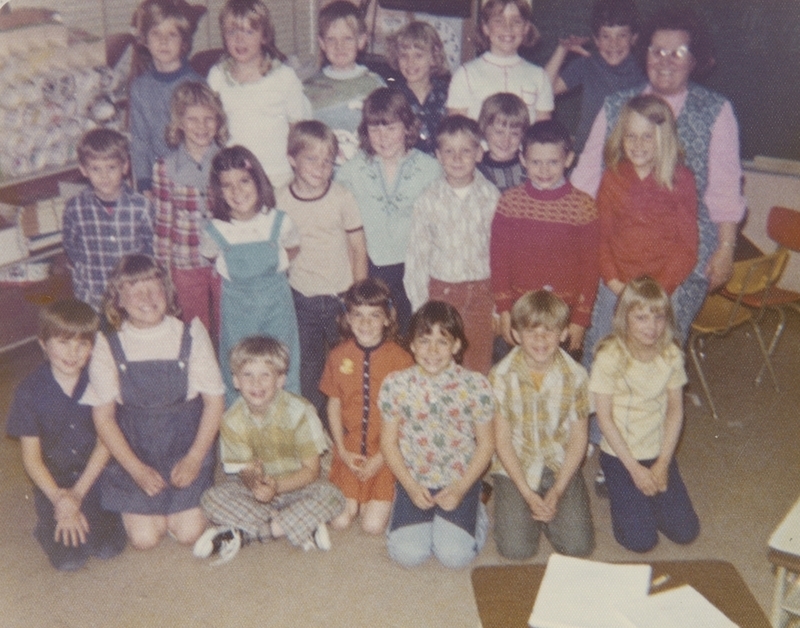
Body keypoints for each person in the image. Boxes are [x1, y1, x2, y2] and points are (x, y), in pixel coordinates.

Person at [571, 6, 747, 341]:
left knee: (653, 337)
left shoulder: (715, 110)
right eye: (657, 51)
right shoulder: (616, 105)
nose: (665, 60)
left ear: (695, 60)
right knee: (600, 329)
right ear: (645, 54)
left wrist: (725, 248)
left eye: (678, 52)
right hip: (618, 237)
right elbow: (585, 180)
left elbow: (725, 189)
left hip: (685, 246)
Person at [85, 255, 225, 550]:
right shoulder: (107, 344)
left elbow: (214, 403)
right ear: (118, 299)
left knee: (189, 533)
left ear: (168, 292)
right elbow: (104, 418)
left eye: (154, 287)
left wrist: (195, 458)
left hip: (183, 448)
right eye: (134, 290)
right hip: (135, 452)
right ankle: (144, 509)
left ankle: (178, 508)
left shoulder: (191, 334)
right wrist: (136, 469)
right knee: (145, 539)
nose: (147, 298)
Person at [195, 336, 345, 562]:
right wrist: (254, 481)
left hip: (301, 486)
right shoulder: (231, 419)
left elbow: (311, 471)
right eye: (247, 375)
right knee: (210, 500)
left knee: (334, 498)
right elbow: (243, 471)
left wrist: (277, 487)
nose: (256, 384)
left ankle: (249, 533)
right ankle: (297, 525)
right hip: (261, 493)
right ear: (235, 380)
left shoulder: (301, 411)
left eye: (265, 375)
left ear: (281, 379)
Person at [6, 300, 127, 571]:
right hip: (54, 483)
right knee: (69, 561)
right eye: (63, 342)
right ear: (43, 344)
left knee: (109, 547)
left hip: (94, 477)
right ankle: (45, 525)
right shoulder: (28, 392)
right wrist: (61, 499)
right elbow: (32, 459)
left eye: (82, 344)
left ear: (92, 347)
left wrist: (79, 494)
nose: (73, 353)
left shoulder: (99, 381)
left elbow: (104, 443)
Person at [583, 94, 697, 373]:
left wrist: (660, 290)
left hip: (660, 289)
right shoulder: (613, 177)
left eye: (647, 136)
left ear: (664, 137)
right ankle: (597, 417)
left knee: (653, 363)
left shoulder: (681, 180)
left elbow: (687, 246)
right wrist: (612, 280)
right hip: (617, 285)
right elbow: (602, 236)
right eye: (631, 136)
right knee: (602, 356)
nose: (638, 144)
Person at [379, 301, 495, 568]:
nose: (432, 350)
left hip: (459, 478)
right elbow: (388, 442)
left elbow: (486, 445)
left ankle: (476, 507)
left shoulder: (476, 385)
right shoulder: (396, 384)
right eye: (424, 340)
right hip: (414, 478)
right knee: (408, 555)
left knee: (454, 556)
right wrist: (408, 485)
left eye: (442, 342)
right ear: (412, 344)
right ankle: (415, 515)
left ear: (456, 346)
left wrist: (460, 488)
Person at [589, 276, 699, 552]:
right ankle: (626, 495)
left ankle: (645, 498)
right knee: (641, 541)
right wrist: (635, 470)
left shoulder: (671, 354)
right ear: (625, 318)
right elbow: (604, 418)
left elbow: (675, 410)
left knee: (686, 531)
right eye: (641, 318)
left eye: (659, 317)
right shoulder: (609, 356)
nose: (652, 327)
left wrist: (662, 463)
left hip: (657, 450)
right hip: (621, 455)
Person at [276, 120, 368, 425]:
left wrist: (359, 299)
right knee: (308, 367)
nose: (320, 167)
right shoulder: (280, 200)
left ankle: (352, 421)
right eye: (311, 159)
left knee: (347, 362)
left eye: (327, 161)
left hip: (341, 298)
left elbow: (358, 249)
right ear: (292, 159)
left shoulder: (342, 197)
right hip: (301, 299)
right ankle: (314, 427)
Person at [490, 290, 594, 559]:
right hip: (516, 465)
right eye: (531, 331)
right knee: (516, 551)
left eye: (549, 331)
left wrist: (558, 490)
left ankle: (548, 509)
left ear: (563, 334)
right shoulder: (500, 375)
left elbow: (578, 438)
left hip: (558, 464)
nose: (539, 339)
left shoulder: (577, 376)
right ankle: (523, 507)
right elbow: (501, 441)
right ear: (516, 334)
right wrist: (526, 493)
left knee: (578, 547)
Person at [336, 87, 441, 335]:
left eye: (391, 128)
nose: (383, 138)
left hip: (414, 267)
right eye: (375, 129)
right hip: (372, 267)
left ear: (407, 127)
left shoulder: (431, 169)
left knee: (411, 333)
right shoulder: (353, 170)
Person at [490, 120, 599, 355]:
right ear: (523, 160)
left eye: (553, 162)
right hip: (520, 309)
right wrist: (504, 309)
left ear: (568, 160)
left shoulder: (583, 206)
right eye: (536, 162)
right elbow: (499, 260)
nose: (544, 170)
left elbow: (590, 267)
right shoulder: (509, 203)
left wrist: (580, 318)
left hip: (564, 312)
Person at [202, 146, 301, 403]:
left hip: (276, 305)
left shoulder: (278, 221)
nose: (237, 191)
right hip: (237, 309)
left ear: (258, 180)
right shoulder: (216, 230)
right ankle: (240, 429)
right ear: (218, 192)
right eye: (227, 185)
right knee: (238, 362)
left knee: (283, 360)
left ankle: (288, 425)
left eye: (244, 181)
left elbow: (293, 247)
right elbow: (211, 256)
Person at [404, 115, 499, 374]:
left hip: (482, 293)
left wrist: (500, 306)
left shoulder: (491, 196)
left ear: (479, 153)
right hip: (442, 292)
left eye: (466, 151)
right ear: (438, 155)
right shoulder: (428, 199)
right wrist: (421, 306)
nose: (457, 158)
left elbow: (499, 252)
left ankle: (476, 412)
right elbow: (417, 256)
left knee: (477, 363)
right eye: (449, 151)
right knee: (439, 362)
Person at [319, 278, 414, 534]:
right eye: (358, 315)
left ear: (387, 318)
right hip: (350, 451)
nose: (365, 323)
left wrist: (382, 458)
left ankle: (392, 493)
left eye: (374, 315)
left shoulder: (402, 360)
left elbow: (409, 416)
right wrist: (341, 450)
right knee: (339, 521)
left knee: (372, 526)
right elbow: (334, 405)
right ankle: (355, 496)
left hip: (387, 450)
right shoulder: (338, 356)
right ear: (347, 318)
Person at [153, 81, 228, 344]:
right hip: (185, 261)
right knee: (195, 329)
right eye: (193, 119)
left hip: (224, 259)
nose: (202, 126)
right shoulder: (165, 167)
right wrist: (163, 270)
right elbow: (163, 223)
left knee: (229, 322)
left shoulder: (228, 162)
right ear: (180, 123)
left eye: (209, 119)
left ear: (218, 122)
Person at [208, 0, 312, 189]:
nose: (240, 40)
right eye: (232, 32)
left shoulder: (284, 77)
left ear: (264, 36)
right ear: (224, 36)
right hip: (235, 178)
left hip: (278, 175)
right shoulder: (217, 77)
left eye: (249, 32)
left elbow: (299, 129)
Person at [62, 129, 154, 313]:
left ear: (125, 166)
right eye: (96, 169)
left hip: (131, 295)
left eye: (111, 167)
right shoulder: (75, 208)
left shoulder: (141, 207)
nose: (104, 176)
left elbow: (150, 249)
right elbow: (71, 246)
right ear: (83, 169)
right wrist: (84, 270)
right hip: (92, 295)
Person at [544, 0, 644, 153]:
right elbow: (545, 91)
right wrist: (562, 49)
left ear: (634, 38)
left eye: (621, 35)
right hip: (586, 154)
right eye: (606, 36)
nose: (614, 43)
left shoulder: (644, 72)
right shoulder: (587, 64)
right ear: (596, 40)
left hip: (627, 157)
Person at [130, 0, 204, 193]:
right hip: (158, 182)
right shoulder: (139, 88)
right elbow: (140, 141)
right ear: (145, 39)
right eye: (156, 33)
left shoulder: (197, 85)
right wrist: (144, 184)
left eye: (172, 34)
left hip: (193, 178)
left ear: (184, 42)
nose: (163, 41)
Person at [303, 0, 385, 164]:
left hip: (364, 170)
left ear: (361, 41)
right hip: (323, 172)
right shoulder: (309, 87)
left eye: (347, 39)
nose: (339, 46)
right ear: (321, 43)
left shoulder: (374, 84)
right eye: (331, 39)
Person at [446, 0, 553, 122]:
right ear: (485, 28)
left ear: (526, 28)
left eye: (516, 21)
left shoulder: (539, 77)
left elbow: (542, 134)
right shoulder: (466, 74)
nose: (508, 28)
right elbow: (457, 133)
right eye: (498, 21)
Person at [387, 21, 451, 156]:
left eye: (418, 55)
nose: (410, 62)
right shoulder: (392, 96)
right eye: (404, 55)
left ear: (433, 58)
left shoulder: (447, 94)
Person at [476, 93, 530, 192]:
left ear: (523, 135)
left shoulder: (528, 166)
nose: (506, 141)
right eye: (499, 132)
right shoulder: (476, 168)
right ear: (484, 128)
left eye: (515, 134)